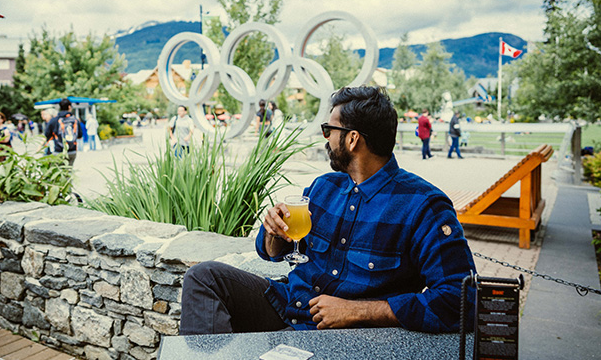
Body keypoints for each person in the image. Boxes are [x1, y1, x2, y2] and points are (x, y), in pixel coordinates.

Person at [180, 86, 476, 335]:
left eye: (328, 130)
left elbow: (464, 300)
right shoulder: (324, 188)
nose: (325, 138)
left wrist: (359, 311)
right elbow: (271, 252)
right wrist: (273, 232)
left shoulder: (422, 206)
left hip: (344, 338)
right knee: (204, 276)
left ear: (352, 138)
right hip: (288, 305)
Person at [46, 98, 81, 166]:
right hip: (72, 151)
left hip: (58, 151)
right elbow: (80, 135)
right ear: (69, 107)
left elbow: (47, 134)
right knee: (68, 171)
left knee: (58, 172)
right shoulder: (75, 120)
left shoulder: (54, 120)